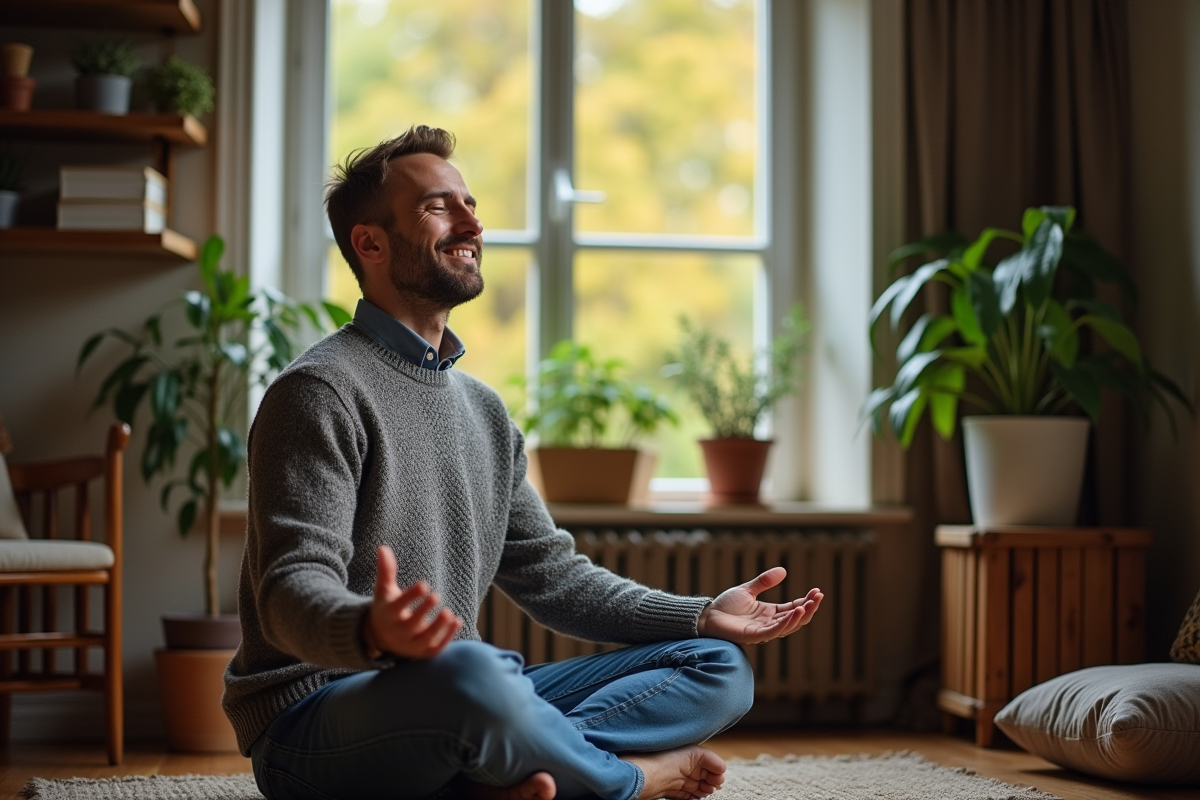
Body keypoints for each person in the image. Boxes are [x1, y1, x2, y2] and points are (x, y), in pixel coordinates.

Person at [223, 125, 825, 800]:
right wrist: (368, 629)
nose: (472, 221)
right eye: (437, 206)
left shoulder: (483, 412)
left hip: (449, 701)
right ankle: (623, 781)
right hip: (313, 723)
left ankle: (503, 779)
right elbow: (286, 595)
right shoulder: (318, 392)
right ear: (371, 243)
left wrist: (699, 613)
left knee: (718, 666)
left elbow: (555, 577)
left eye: (470, 203)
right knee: (476, 678)